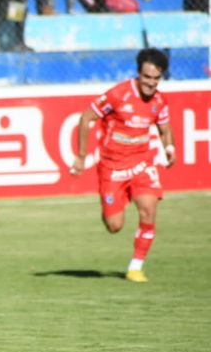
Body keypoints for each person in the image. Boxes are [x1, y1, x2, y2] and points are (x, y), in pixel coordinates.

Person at [69, 48, 175, 283]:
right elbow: (86, 118)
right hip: (112, 167)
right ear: (138, 74)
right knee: (114, 226)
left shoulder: (160, 101)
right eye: (146, 77)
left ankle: (135, 267)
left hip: (142, 163)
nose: (151, 83)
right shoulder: (118, 95)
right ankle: (116, 202)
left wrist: (169, 149)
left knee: (148, 210)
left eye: (156, 79)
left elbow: (164, 128)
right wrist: (82, 155)